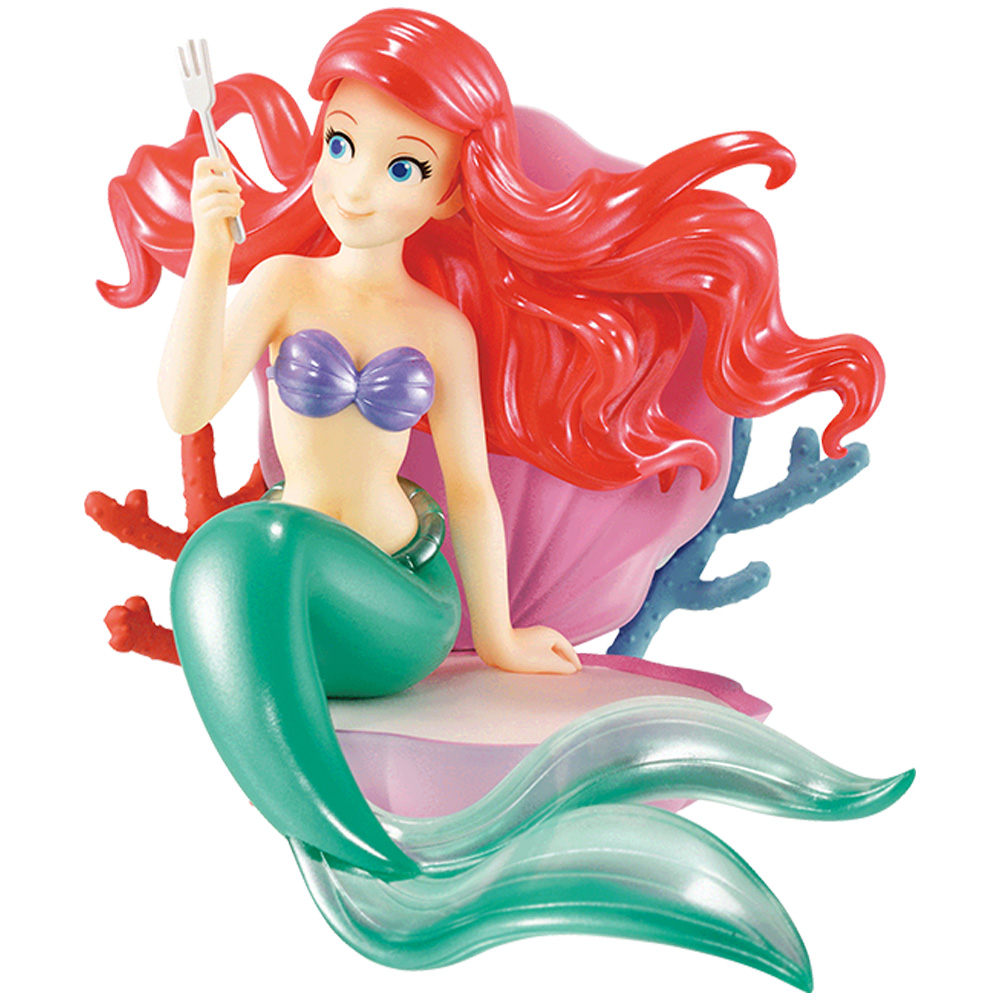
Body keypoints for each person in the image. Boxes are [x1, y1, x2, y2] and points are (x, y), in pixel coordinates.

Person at [99, 10, 901, 986]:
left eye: (401, 166)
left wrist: (503, 635)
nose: (356, 185)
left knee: (242, 547)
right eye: (341, 144)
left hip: (405, 607)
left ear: (445, 195)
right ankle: (377, 863)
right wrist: (210, 252)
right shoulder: (281, 283)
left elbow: (473, 494)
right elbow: (184, 403)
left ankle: (361, 864)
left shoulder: (435, 325)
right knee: (238, 551)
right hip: (302, 604)